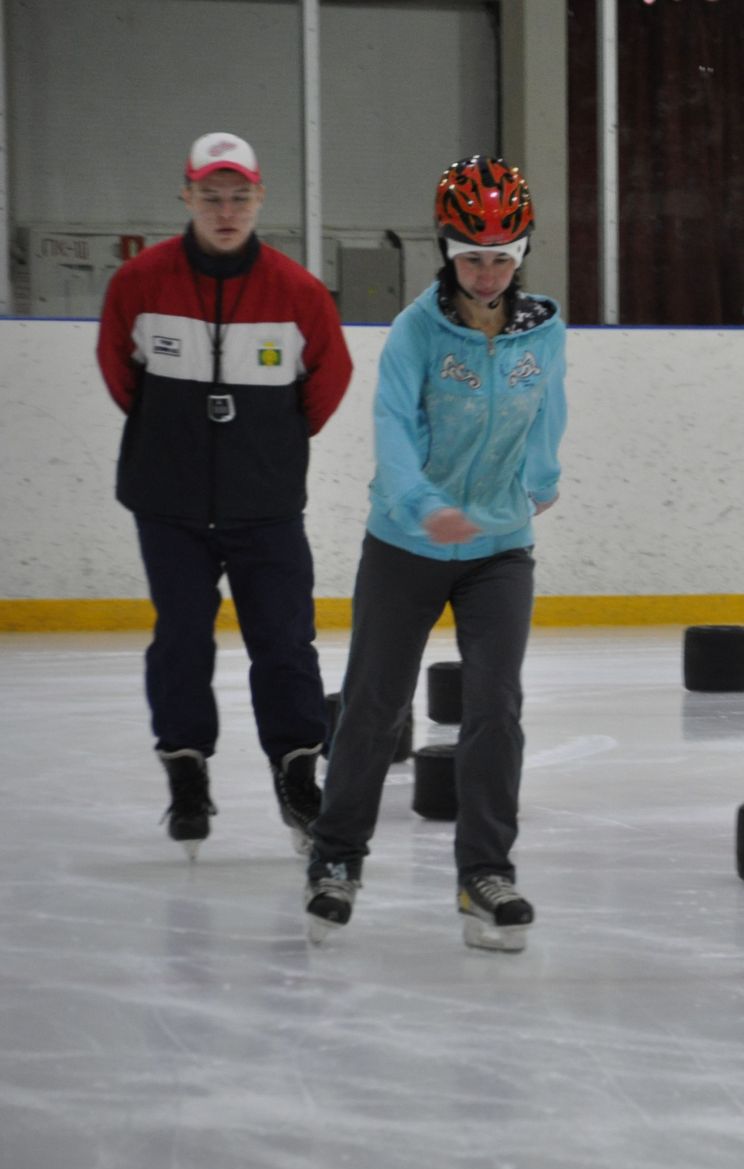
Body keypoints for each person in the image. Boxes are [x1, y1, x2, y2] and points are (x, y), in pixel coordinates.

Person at [303, 156, 566, 953]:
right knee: (374, 705)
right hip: (406, 544)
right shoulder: (416, 331)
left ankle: (485, 872)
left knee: (496, 705)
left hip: (498, 548)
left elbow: (547, 405)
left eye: (501, 258)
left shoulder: (543, 328)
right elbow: (392, 429)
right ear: (445, 251)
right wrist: (425, 507)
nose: (485, 275)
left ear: (522, 253)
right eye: (470, 257)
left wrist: (542, 479)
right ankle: (337, 858)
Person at [96, 132, 353, 862]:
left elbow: (326, 382)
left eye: (239, 195)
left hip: (265, 507)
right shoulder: (139, 283)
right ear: (187, 198)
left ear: (259, 199)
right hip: (168, 505)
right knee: (180, 638)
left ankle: (297, 772)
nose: (226, 209)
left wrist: (265, 452)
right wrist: (168, 439)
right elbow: (121, 372)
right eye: (211, 195)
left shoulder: (298, 292)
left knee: (284, 643)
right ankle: (186, 770)